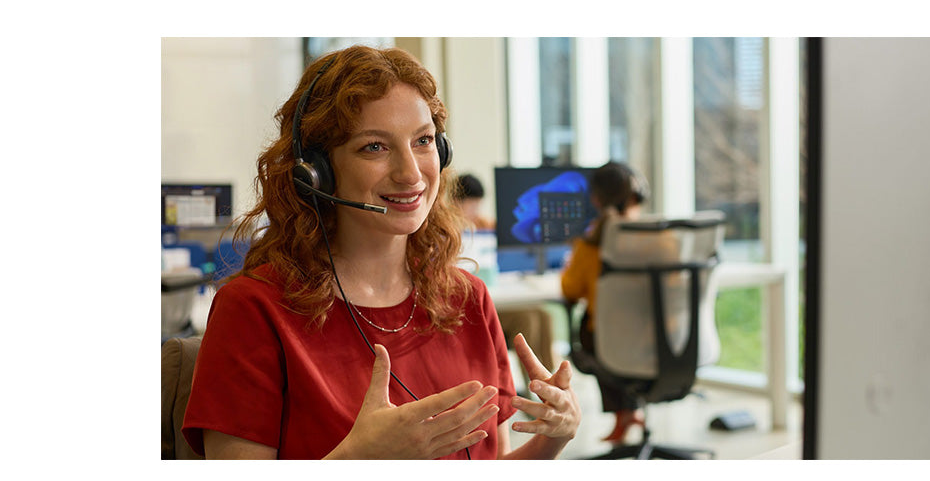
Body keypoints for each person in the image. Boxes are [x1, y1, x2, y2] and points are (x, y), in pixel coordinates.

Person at [181, 45, 581, 459]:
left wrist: (553, 438)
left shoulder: (468, 299)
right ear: (316, 171)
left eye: (423, 141)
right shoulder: (254, 311)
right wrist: (359, 459)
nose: (411, 173)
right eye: (375, 147)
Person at [560, 161, 648, 444]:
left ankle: (623, 415)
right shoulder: (656, 238)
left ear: (595, 199)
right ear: (635, 196)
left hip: (606, 339)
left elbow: (571, 289)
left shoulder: (591, 246)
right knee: (620, 339)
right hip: (651, 335)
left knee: (593, 333)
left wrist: (570, 264)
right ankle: (629, 413)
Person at [453, 173, 557, 377]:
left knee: (544, 315)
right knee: (527, 319)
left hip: (494, 296)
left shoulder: (484, 225)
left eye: (478, 205)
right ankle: (534, 386)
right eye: (470, 205)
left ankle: (549, 380)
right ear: (456, 202)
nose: (475, 211)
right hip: (471, 311)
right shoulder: (448, 233)